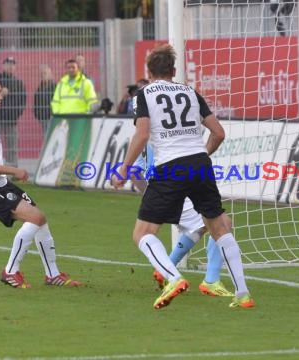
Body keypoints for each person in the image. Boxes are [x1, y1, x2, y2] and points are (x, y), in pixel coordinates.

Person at [111, 44, 254, 309]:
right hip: (199, 163)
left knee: (143, 232)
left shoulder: (143, 95)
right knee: (220, 226)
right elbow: (219, 133)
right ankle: (243, 294)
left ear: (149, 71)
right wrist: (201, 156)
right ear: (174, 71)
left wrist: (123, 168)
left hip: (170, 166)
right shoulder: (191, 92)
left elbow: (142, 135)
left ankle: (173, 277)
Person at [0, 75, 81, 289]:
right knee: (35, 217)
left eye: (0, 92)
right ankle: (10, 271)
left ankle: (52, 274)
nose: (0, 97)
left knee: (40, 218)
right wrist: (13, 169)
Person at [131, 144, 233, 297]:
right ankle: (211, 281)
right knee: (221, 223)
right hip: (174, 185)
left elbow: (134, 173)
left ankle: (166, 268)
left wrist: (151, 196)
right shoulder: (165, 133)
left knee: (204, 226)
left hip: (161, 190)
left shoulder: (145, 134)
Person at [0, 57, 27, 167]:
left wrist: (17, 114)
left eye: (12, 64)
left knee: (12, 147)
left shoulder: (18, 82)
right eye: (8, 64)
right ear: (3, 66)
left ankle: (12, 170)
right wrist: (0, 94)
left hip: (12, 120)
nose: (10, 66)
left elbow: (23, 101)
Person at [33, 64, 57, 134]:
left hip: (53, 118)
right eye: (42, 74)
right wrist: (38, 115)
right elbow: (36, 103)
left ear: (50, 74)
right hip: (44, 119)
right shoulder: (39, 89)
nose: (43, 75)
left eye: (45, 73)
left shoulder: (55, 87)